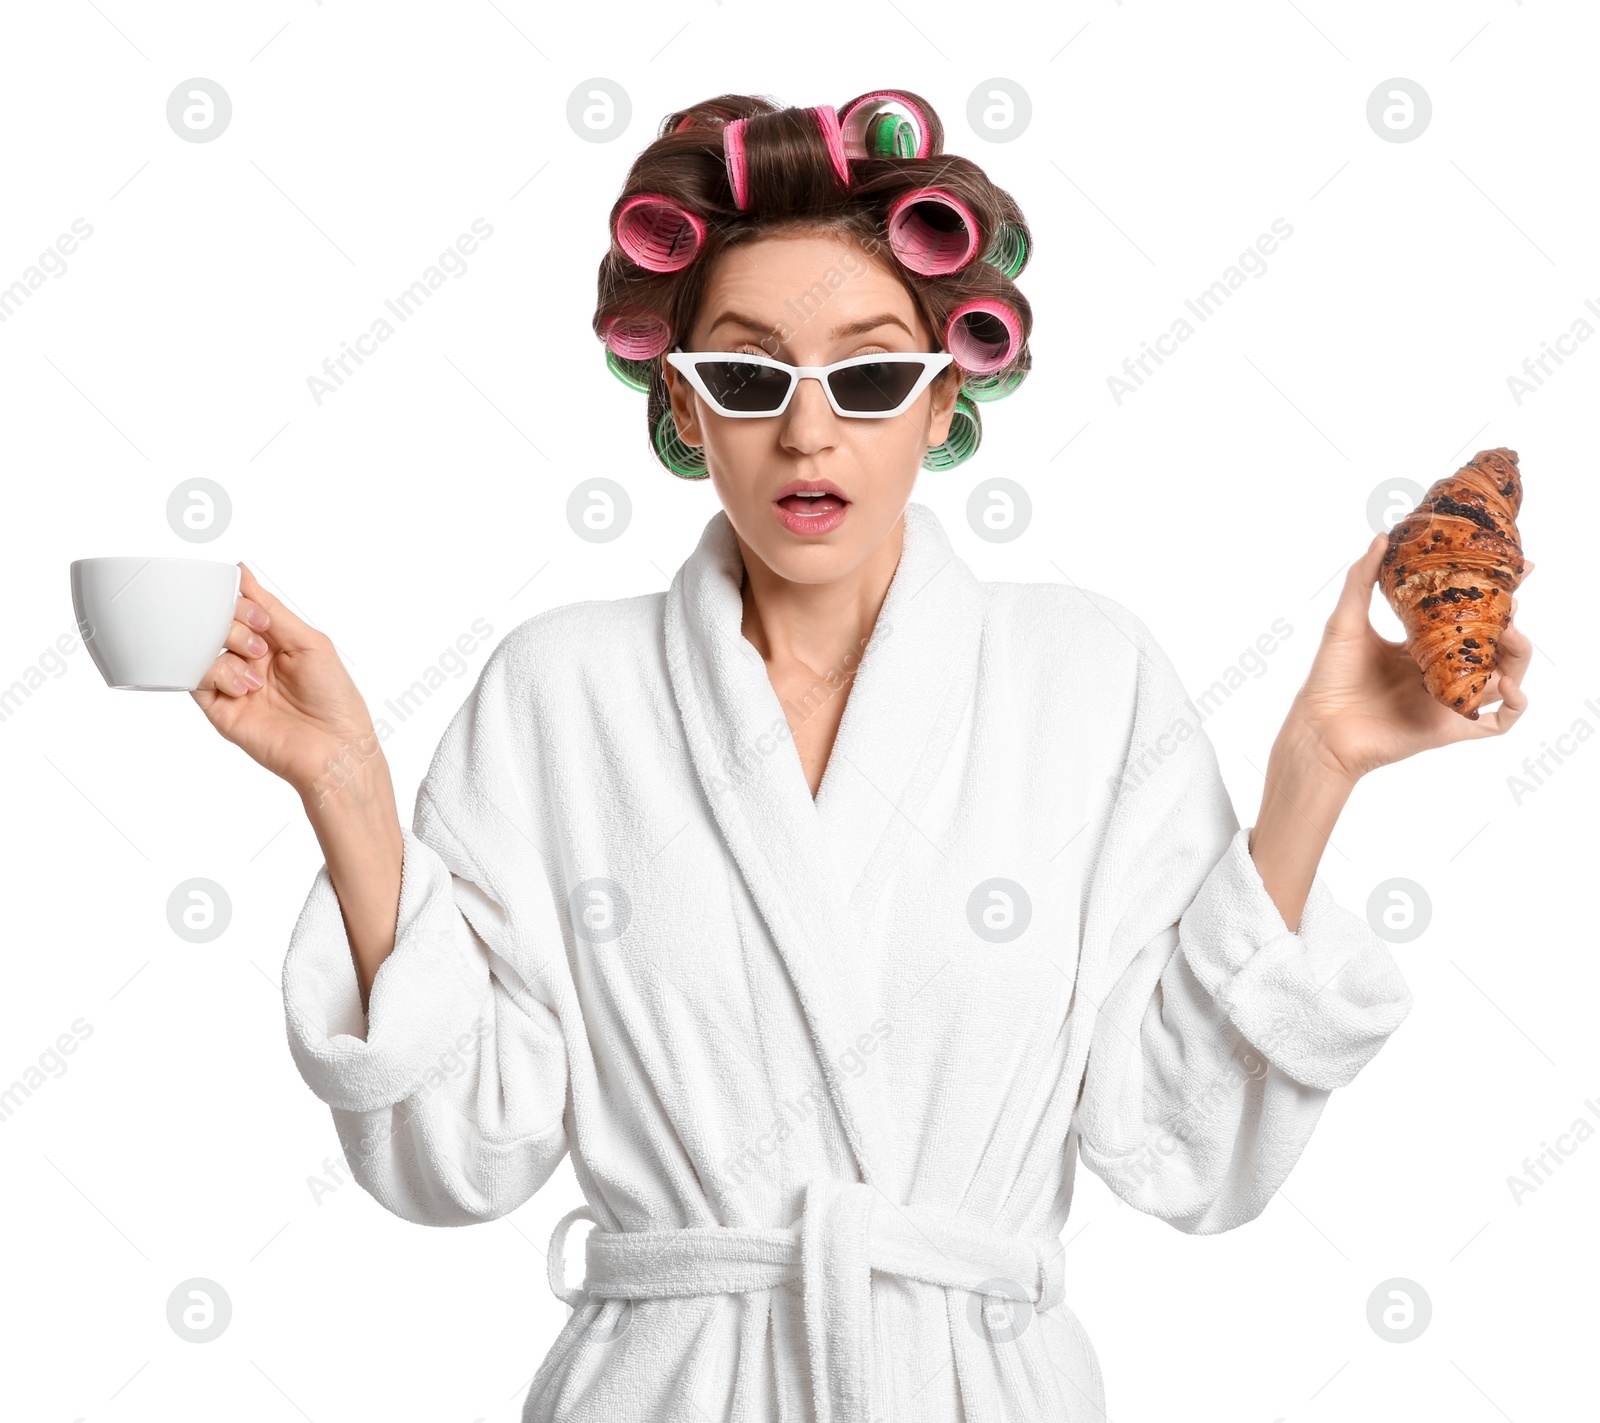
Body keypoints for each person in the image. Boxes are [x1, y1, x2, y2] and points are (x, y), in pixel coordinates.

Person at [192, 91, 1532, 1423]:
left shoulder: (1085, 679)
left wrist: (1314, 772)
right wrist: (347, 787)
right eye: (750, 374)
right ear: (683, 398)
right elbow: (456, 1156)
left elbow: (1187, 1151)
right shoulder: (563, 691)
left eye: (873, 372)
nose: (809, 434)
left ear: (947, 392)